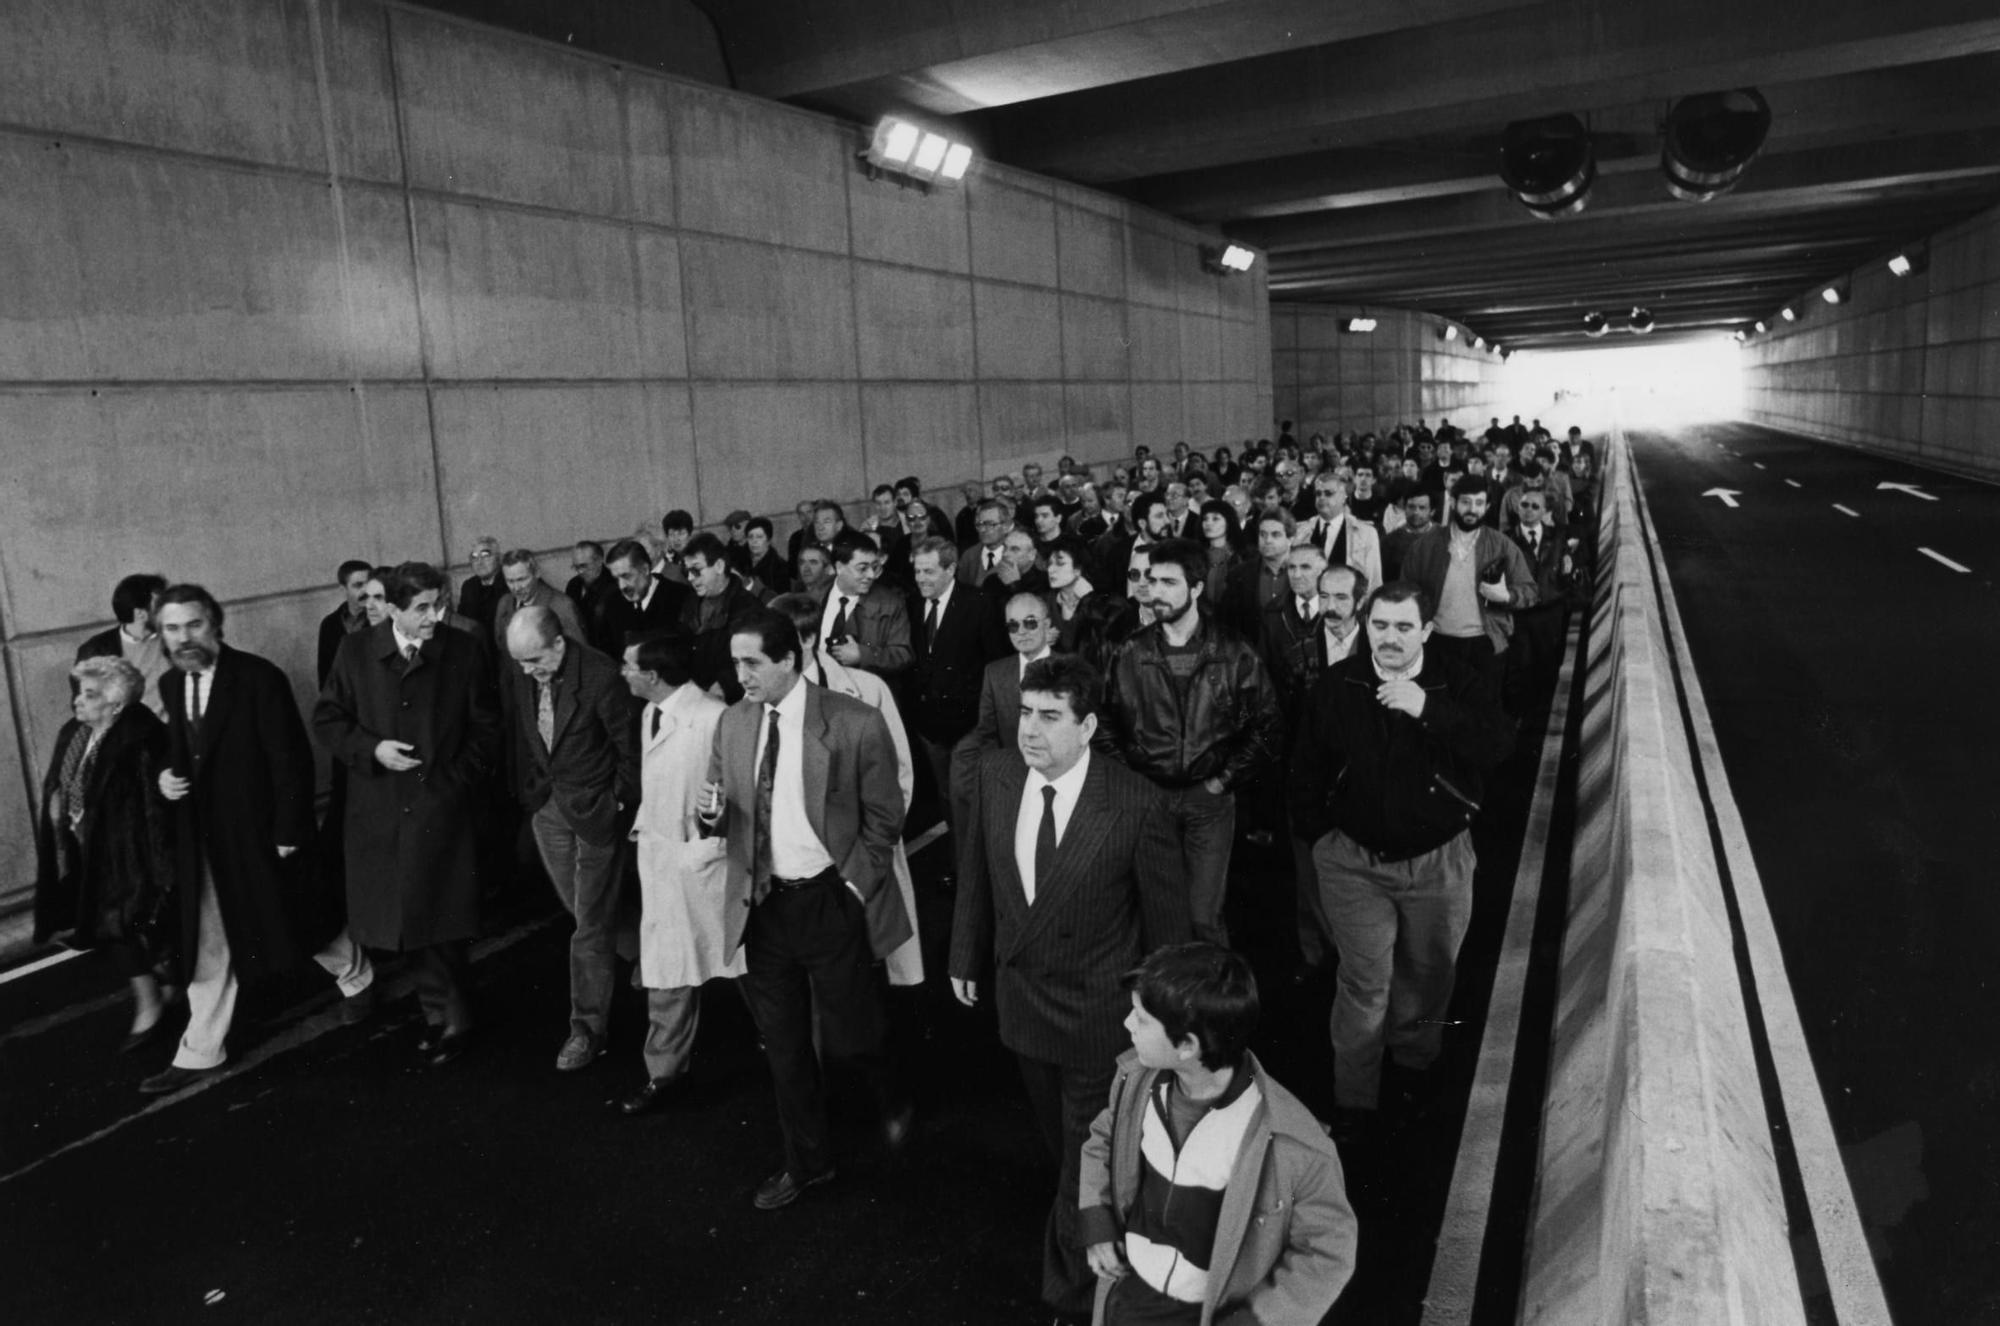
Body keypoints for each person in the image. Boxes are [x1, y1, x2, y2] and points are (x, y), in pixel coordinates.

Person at [950, 655, 1189, 1318]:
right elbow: (976, 874)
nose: (1030, 729)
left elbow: (1170, 928)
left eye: (1049, 716)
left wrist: (1165, 1018)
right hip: (1021, 1004)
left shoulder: (1133, 803)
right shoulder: (996, 777)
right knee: (1065, 1145)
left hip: (1099, 1016)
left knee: (1080, 1159)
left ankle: (1073, 1294)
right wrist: (966, 954)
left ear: (1085, 726)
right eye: (1025, 712)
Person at [700, 608, 911, 1209]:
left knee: (853, 1033)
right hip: (764, 905)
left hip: (829, 900)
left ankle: (889, 1094)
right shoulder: (734, 724)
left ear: (790, 659)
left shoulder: (853, 722)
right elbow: (718, 806)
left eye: (752, 663)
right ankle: (808, 1163)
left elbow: (885, 820)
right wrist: (711, 816)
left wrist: (851, 890)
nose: (740, 674)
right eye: (735, 662)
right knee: (784, 1044)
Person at [1287, 582, 1514, 1132]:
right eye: (1381, 626)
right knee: (1364, 984)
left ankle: (1413, 1076)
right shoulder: (1339, 686)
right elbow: (1305, 771)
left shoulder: (1458, 682)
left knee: (1428, 975)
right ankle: (1355, 1101)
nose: (1390, 639)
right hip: (1354, 864)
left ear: (1427, 631)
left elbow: (1496, 746)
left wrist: (1428, 708)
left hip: (1439, 861)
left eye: (1404, 627)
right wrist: (1324, 840)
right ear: (1367, 627)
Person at [144, 585, 374, 1093]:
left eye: (194, 625)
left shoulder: (257, 678)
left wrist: (290, 831)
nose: (184, 638)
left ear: (216, 623)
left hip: (257, 834)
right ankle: (202, 1047)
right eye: (172, 629)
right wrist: (165, 775)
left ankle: (357, 975)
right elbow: (178, 752)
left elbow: (288, 758)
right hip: (201, 841)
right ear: (161, 635)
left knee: (293, 918)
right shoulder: (169, 685)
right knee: (207, 940)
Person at [1078, 943, 1357, 1324]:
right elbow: (1103, 1139)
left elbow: (1327, 1251)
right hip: (1128, 1295)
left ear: (1187, 1047)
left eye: (1141, 1019)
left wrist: (1255, 1321)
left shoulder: (1294, 1143)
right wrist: (1097, 1219)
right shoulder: (1135, 1083)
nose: (1128, 1023)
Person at [316, 562, 499, 1069]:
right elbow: (328, 718)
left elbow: (487, 728)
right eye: (422, 608)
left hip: (439, 808)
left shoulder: (460, 650)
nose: (434, 616)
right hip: (380, 814)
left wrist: (453, 783)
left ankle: (455, 1018)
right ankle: (437, 1015)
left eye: (439, 604)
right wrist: (373, 750)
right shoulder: (355, 652)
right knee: (405, 924)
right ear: (391, 608)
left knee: (439, 922)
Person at [1100, 541, 1281, 944]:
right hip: (1149, 799)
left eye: (1168, 581)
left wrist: (1222, 782)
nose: (1155, 591)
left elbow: (1267, 726)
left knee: (1204, 917)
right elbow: (1104, 723)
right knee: (1153, 912)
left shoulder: (1234, 652)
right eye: (1151, 580)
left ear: (1197, 588)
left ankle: (1209, 1001)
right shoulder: (1130, 652)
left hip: (1208, 803)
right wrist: (1133, 780)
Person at [503, 606, 639, 1071]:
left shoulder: (602, 676)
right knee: (584, 909)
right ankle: (647, 959)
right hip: (548, 808)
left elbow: (631, 752)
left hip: (596, 812)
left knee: (589, 926)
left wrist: (617, 803)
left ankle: (586, 1029)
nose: (526, 672)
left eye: (534, 661)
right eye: (519, 663)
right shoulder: (526, 668)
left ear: (559, 644)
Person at [617, 632, 736, 1114]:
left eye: (628, 666)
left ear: (652, 675)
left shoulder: (712, 718)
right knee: (667, 967)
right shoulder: (652, 713)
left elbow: (736, 795)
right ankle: (664, 1073)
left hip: (707, 864)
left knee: (745, 962)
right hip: (664, 861)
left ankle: (794, 1047)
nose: (621, 672)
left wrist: (706, 845)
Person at [33, 656, 176, 1052]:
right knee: (115, 930)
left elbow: (153, 811)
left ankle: (154, 1000)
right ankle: (162, 988)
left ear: (116, 705)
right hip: (86, 849)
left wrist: (159, 869)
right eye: (79, 692)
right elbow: (61, 784)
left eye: (90, 695)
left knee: (124, 928)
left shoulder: (141, 738)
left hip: (128, 856)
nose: (78, 702)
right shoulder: (75, 733)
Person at [905, 536, 1007, 839]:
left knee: (965, 793)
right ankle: (961, 862)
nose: (921, 579)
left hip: (970, 723)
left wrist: (986, 717)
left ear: (950, 569)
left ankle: (975, 865)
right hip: (930, 726)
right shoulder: (910, 604)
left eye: (929, 571)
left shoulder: (979, 604)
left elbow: (996, 662)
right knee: (948, 796)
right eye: (917, 571)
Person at [1398, 477, 1536, 687]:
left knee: (1482, 712)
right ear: (1453, 503)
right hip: (1436, 641)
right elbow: (1405, 593)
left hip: (1484, 643)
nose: (1472, 509)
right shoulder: (1424, 546)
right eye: (1466, 502)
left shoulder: (1501, 545)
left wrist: (1507, 596)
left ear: (1488, 506)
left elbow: (1530, 591)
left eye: (1479, 503)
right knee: (1439, 709)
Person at [951, 589, 1055, 800]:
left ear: (1046, 624)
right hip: (1011, 777)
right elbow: (986, 731)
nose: (1022, 631)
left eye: (1030, 623)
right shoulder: (995, 672)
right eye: (1013, 625)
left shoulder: (1070, 667)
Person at [815, 531, 913, 679]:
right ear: (840, 567)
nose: (871, 575)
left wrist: (863, 655)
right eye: (862, 568)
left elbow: (903, 655)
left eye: (874, 567)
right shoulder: (813, 597)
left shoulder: (890, 604)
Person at [678, 532, 763, 701]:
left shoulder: (747, 607)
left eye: (696, 570)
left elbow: (753, 659)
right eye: (686, 571)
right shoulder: (689, 603)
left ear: (718, 566)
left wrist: (724, 685)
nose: (690, 578)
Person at [77, 572, 170, 717]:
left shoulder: (172, 639)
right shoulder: (97, 650)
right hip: (131, 735)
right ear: (140, 614)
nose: (168, 610)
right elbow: (87, 706)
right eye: (160, 606)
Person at [1297, 475, 1382, 594]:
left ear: (1343, 497)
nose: (1322, 498)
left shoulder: (1366, 533)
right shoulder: (1301, 531)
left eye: (1328, 493)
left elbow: (1374, 581)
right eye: (1318, 493)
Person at [490, 550, 585, 652]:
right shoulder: (505, 604)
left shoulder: (561, 607)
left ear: (537, 573)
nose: (516, 588)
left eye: (521, 579)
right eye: (510, 581)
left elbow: (579, 653)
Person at [603, 538, 691, 643]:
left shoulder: (681, 597)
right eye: (616, 579)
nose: (622, 586)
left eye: (626, 576)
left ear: (645, 569)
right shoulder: (613, 605)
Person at [317, 561, 374, 687]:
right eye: (358, 585)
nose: (366, 591)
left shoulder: (381, 619)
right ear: (343, 590)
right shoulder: (329, 625)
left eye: (369, 584)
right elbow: (326, 676)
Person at [959, 499, 1013, 587]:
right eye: (980, 524)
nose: (983, 529)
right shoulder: (969, 556)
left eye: (990, 524)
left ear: (1005, 526)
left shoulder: (1014, 554)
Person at [458, 536, 505, 630]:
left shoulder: (509, 581)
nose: (479, 562)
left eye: (485, 556)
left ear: (498, 558)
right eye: (474, 557)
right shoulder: (469, 587)